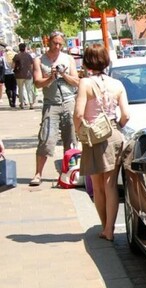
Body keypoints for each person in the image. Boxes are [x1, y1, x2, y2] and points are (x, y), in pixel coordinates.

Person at [74, 43, 130, 242]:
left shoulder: (85, 83)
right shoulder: (117, 84)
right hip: (114, 134)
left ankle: (105, 227)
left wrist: (78, 130)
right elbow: (126, 115)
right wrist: (117, 127)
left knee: (97, 187)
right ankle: (110, 228)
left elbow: (79, 113)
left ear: (87, 61)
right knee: (111, 185)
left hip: (94, 138)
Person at [30, 32, 80, 186]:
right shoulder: (39, 60)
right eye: (54, 43)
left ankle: (69, 174)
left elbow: (76, 81)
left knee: (71, 139)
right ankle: (38, 174)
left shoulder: (68, 59)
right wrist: (51, 77)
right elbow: (37, 83)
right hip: (51, 103)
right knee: (46, 138)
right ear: (48, 42)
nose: (57, 46)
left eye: (60, 44)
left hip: (69, 101)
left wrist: (63, 74)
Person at [13, 43, 35, 109]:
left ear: (19, 48)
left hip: (19, 75)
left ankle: (22, 104)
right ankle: (31, 104)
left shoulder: (16, 56)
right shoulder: (29, 56)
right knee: (29, 89)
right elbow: (32, 65)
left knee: (20, 89)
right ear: (25, 48)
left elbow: (13, 65)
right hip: (28, 75)